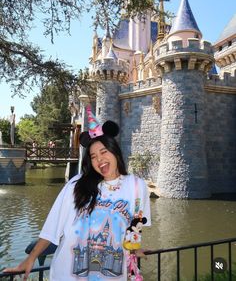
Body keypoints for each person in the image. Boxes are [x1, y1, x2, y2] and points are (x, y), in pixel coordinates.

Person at [3, 105, 151, 281]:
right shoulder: (77, 184)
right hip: (68, 274)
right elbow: (52, 227)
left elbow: (135, 224)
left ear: (115, 151)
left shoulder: (137, 186)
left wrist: (134, 248)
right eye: (93, 156)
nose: (99, 159)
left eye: (104, 152)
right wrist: (31, 257)